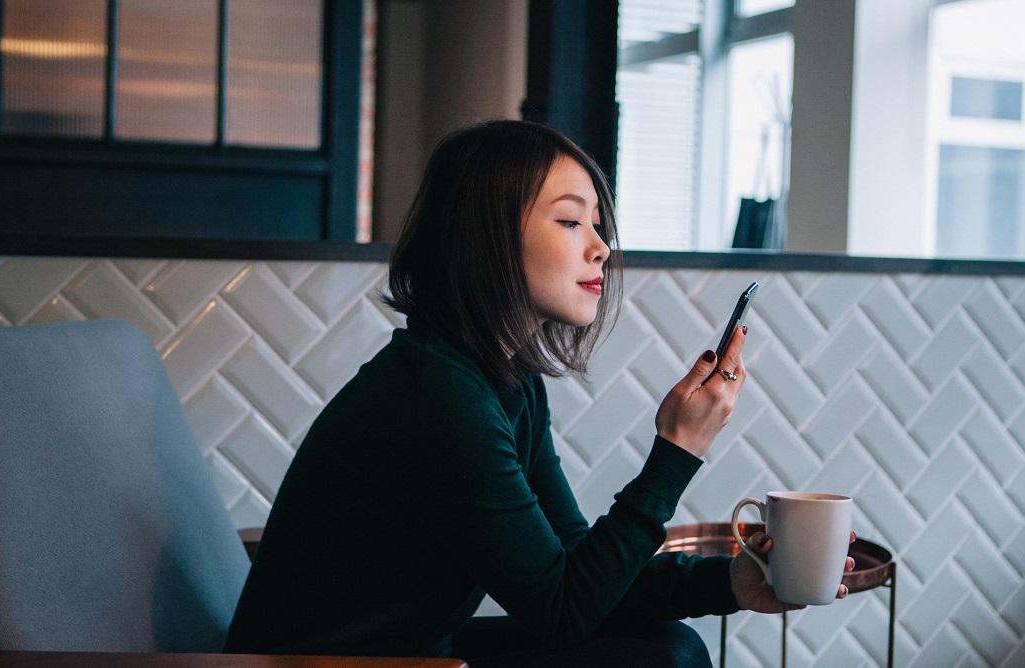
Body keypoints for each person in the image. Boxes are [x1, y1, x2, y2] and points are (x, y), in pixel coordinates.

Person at [223, 120, 853, 667]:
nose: (601, 247)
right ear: (488, 234)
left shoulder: (504, 381)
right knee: (668, 657)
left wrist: (733, 583)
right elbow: (562, 611)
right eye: (571, 220)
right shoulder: (435, 396)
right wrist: (677, 450)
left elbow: (579, 572)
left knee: (669, 645)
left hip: (416, 655)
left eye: (597, 225)